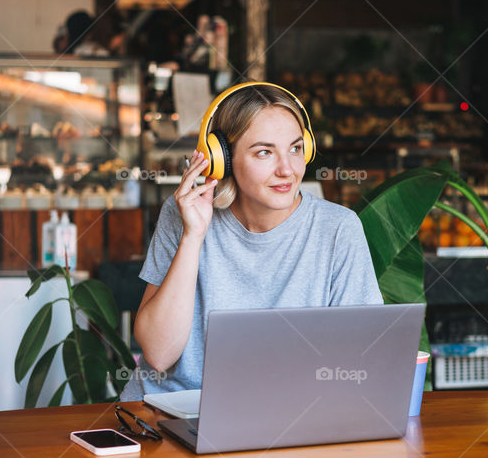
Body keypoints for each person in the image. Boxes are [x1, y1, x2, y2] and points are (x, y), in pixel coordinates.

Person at [120, 83, 383, 400]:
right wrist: (193, 235)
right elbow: (160, 354)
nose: (287, 169)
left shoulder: (338, 229)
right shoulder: (183, 214)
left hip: (279, 412)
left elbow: (359, 361)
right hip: (171, 410)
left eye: (296, 149)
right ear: (223, 160)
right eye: (264, 152)